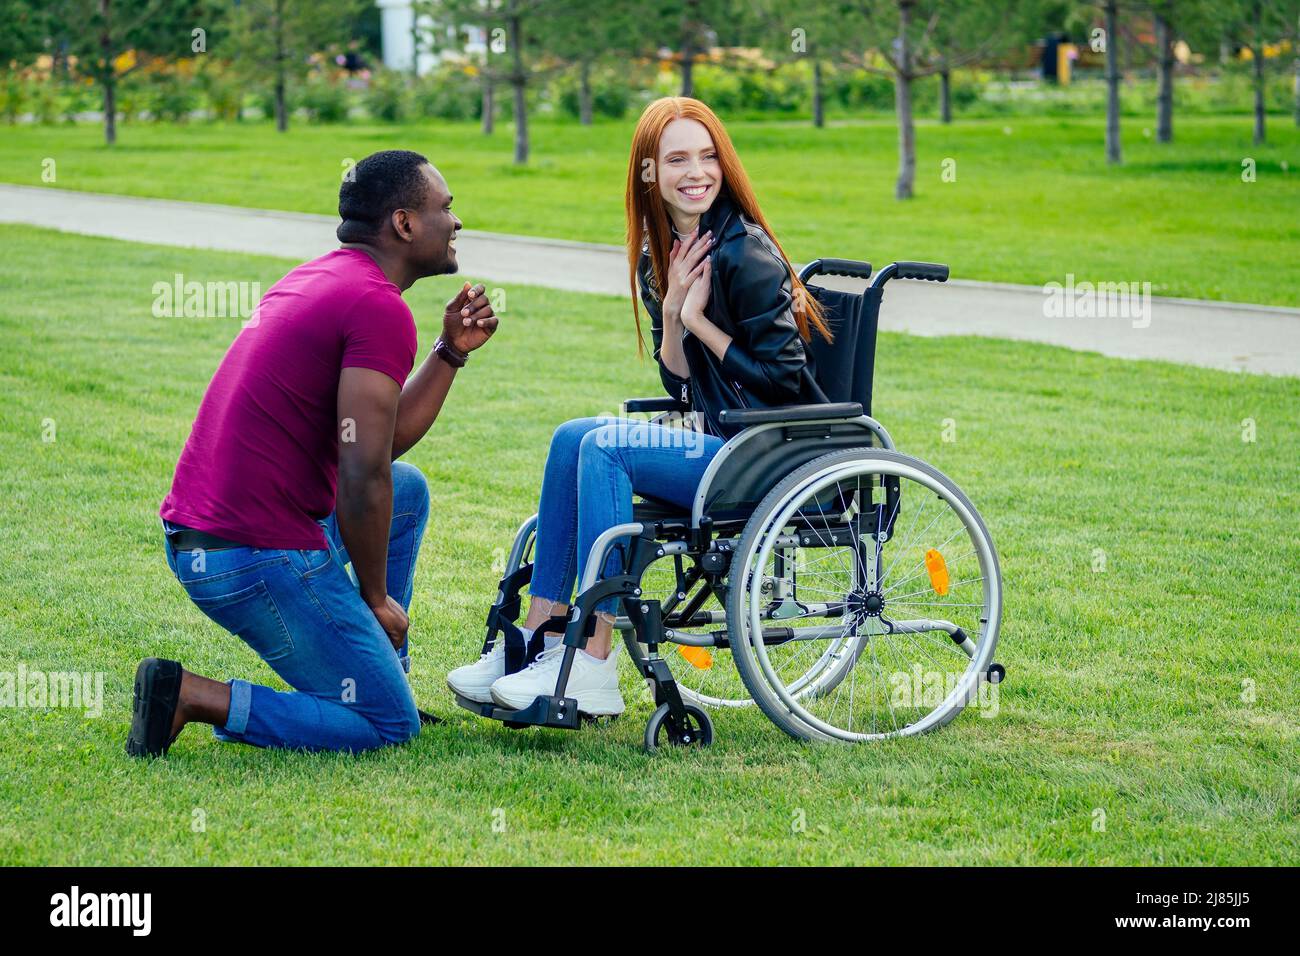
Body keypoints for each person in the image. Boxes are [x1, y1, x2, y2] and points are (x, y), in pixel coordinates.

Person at [447, 97, 832, 716]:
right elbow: (679, 383)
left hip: (767, 454)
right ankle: (543, 639)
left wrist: (699, 322)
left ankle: (593, 660)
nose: (696, 172)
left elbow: (784, 380)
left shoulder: (745, 253)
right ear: (649, 172)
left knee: (607, 446)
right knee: (572, 436)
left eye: (707, 156)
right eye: (677, 159)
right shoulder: (666, 253)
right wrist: (675, 311)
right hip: (714, 436)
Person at [127, 150, 499, 757]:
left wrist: (450, 351)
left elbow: (379, 443)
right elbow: (361, 473)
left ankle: (378, 671)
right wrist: (375, 599)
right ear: (404, 224)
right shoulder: (376, 305)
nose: (456, 222)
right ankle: (193, 696)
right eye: (445, 208)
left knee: (407, 490)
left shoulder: (323, 277)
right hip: (249, 554)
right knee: (388, 727)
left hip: (207, 539)